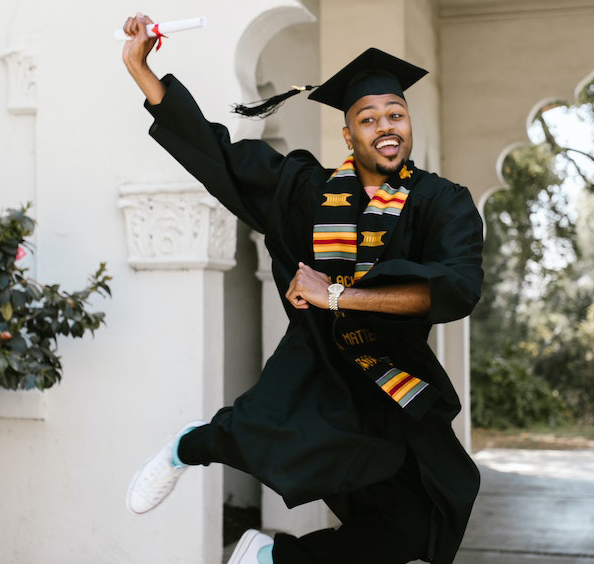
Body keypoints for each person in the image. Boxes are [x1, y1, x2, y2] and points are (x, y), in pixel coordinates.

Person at [121, 12, 484, 564]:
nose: (386, 126)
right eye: (369, 118)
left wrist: (335, 295)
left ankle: (268, 559)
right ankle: (184, 448)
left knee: (420, 524)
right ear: (349, 133)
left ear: (409, 122)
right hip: (320, 369)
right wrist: (141, 70)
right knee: (255, 436)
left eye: (396, 114)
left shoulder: (442, 201)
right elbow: (219, 158)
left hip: (395, 382)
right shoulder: (305, 192)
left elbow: (455, 287)